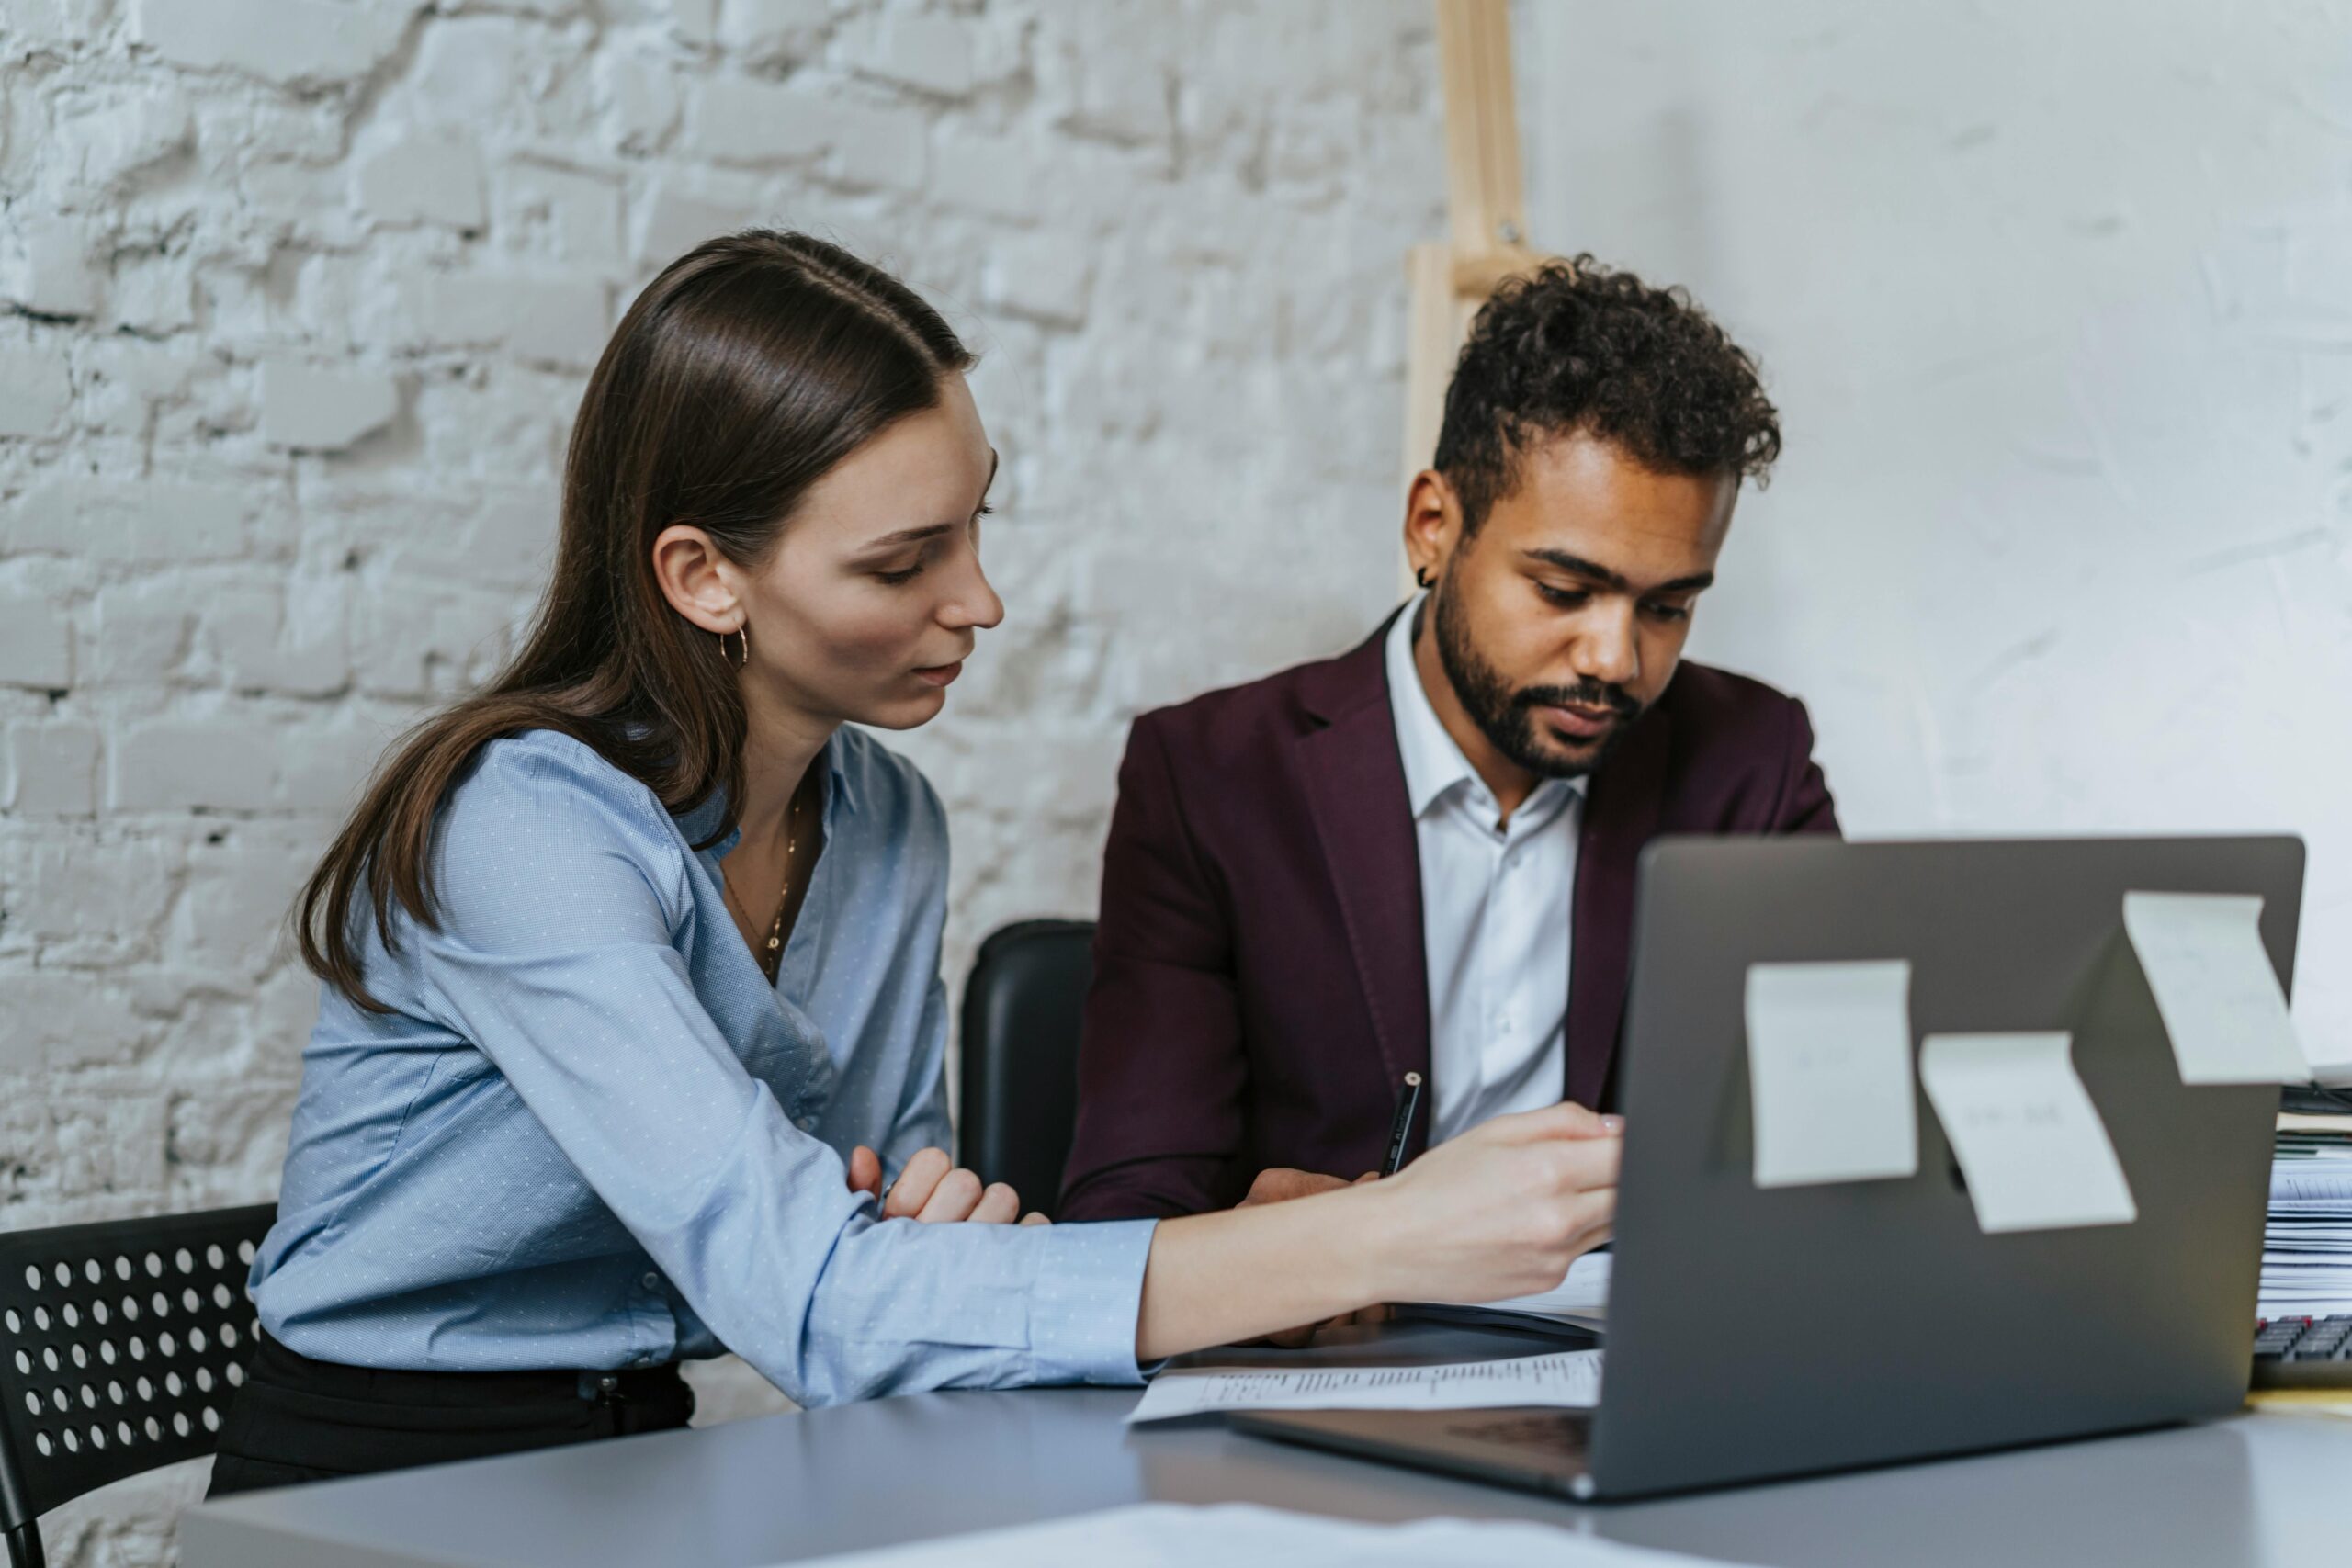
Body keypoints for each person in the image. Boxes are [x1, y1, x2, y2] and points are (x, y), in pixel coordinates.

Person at [207, 231, 1621, 1497]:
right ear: (705, 575)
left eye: (976, 523)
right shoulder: (522, 829)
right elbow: (823, 1301)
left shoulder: (884, 820)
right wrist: (1373, 1238)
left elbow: (895, 1241)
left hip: (646, 1458)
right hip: (368, 1486)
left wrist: (937, 1233)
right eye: (903, 564)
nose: (980, 601)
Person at [1059, 257, 1836, 1224]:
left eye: (1669, 607)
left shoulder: (1751, 764)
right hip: (1329, 1355)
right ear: (1432, 526)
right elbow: (1126, 1205)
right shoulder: (1211, 778)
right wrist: (1287, 1252)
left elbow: (1834, 1140)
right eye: (1561, 591)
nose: (1613, 658)